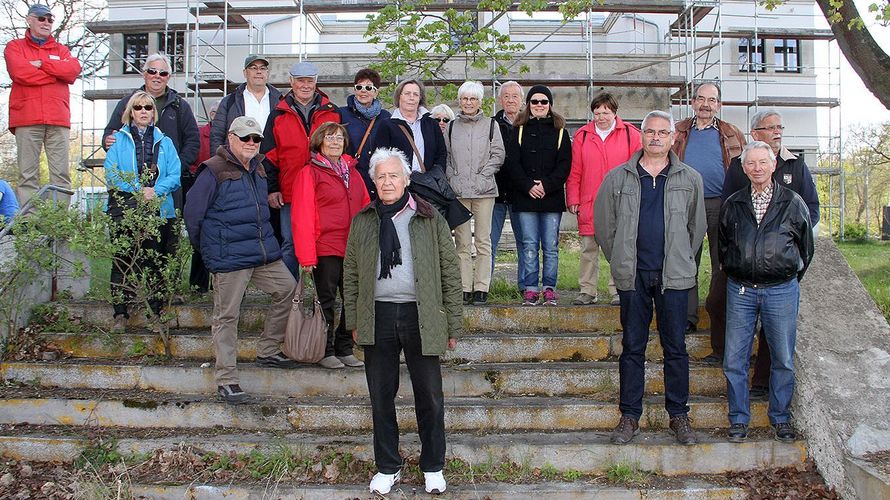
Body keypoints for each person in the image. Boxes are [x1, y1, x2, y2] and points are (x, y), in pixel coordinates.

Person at [343, 147, 461, 496]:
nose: (387, 181)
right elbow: (350, 272)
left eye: (394, 175)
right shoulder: (364, 219)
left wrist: (452, 322)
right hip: (377, 315)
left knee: (430, 395)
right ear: (373, 181)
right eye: (381, 176)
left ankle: (433, 465)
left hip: (420, 314)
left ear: (406, 179)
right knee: (381, 395)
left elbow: (450, 271)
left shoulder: (428, 217)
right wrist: (354, 317)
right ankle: (387, 466)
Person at [594, 110, 706, 446]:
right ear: (641, 136)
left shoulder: (690, 178)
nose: (656, 137)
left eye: (662, 132)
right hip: (634, 277)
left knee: (676, 348)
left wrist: (682, 259)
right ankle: (629, 416)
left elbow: (696, 227)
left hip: (673, 277)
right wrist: (620, 260)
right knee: (633, 348)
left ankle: (679, 416)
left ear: (673, 137)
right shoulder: (619, 178)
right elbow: (604, 225)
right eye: (650, 132)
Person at [184, 116, 298, 405]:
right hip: (229, 257)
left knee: (287, 288)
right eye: (245, 138)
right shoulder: (213, 170)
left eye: (256, 139)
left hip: (261, 254)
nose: (251, 143)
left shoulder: (258, 168)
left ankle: (268, 350)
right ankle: (227, 379)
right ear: (231, 138)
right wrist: (208, 250)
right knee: (227, 317)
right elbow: (193, 213)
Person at [719, 141, 814, 444]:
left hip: (781, 290)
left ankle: (781, 418)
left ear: (774, 165)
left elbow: (805, 249)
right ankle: (738, 419)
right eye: (751, 163)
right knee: (734, 359)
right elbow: (723, 246)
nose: (757, 168)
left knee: (783, 358)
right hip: (742, 290)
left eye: (763, 162)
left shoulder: (793, 202)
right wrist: (739, 269)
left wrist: (785, 275)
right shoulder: (733, 203)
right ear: (743, 168)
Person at [671, 82, 746, 341]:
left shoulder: (731, 133)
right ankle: (687, 317)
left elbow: (744, 169)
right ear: (693, 102)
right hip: (685, 203)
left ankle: (719, 319)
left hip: (721, 204)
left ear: (719, 104)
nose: (706, 104)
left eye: (711, 100)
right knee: (685, 261)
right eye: (701, 99)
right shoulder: (679, 131)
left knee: (720, 263)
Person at [293, 123, 370, 369]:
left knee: (353, 299)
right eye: (330, 137)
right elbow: (302, 215)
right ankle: (325, 349)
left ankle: (344, 347)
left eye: (339, 137)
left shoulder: (353, 172)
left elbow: (366, 208)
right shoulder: (310, 172)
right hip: (325, 247)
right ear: (319, 142)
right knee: (325, 300)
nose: (336, 141)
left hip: (353, 248)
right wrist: (306, 256)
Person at [104, 91, 182, 331]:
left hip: (158, 208)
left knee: (154, 262)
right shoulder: (118, 141)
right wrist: (138, 190)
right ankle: (120, 314)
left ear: (153, 111)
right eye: (138, 107)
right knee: (122, 261)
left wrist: (155, 190)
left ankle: (155, 313)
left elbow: (175, 174)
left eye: (148, 107)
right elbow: (112, 173)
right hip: (125, 208)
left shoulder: (165, 141)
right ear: (131, 111)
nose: (144, 111)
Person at [261, 61, 340, 279]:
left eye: (309, 81)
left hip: (324, 189)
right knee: (289, 242)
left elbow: (341, 151)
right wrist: (272, 188)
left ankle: (321, 292)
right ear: (291, 82)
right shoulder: (278, 114)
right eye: (300, 81)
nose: (305, 85)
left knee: (323, 241)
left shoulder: (331, 113)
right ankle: (290, 294)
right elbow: (269, 155)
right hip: (290, 190)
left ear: (316, 82)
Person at [567, 92, 641, 306]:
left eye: (605, 112)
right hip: (590, 201)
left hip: (621, 202)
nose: (601, 117)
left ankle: (618, 289)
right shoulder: (582, 136)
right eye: (597, 112)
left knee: (619, 249)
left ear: (614, 112)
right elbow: (575, 171)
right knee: (588, 249)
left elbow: (638, 169)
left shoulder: (631, 134)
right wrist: (573, 197)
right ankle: (587, 290)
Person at [4, 4, 81, 207]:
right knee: (27, 174)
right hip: (26, 118)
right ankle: (30, 222)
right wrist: (56, 74)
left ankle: (59, 222)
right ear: (29, 20)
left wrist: (42, 64)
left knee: (61, 174)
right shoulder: (14, 46)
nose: (46, 23)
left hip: (58, 118)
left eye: (50, 19)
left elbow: (72, 71)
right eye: (41, 18)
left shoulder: (61, 49)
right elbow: (20, 73)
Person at [104, 53, 200, 214]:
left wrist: (174, 169)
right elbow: (110, 133)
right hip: (128, 192)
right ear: (144, 74)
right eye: (152, 71)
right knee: (127, 236)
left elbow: (193, 142)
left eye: (162, 73)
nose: (157, 76)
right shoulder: (126, 103)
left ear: (168, 77)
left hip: (167, 190)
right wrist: (107, 140)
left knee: (164, 235)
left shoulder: (180, 107)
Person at [505, 85, 571, 306]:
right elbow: (512, 164)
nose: (539, 106)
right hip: (526, 198)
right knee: (529, 244)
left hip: (551, 198)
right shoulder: (519, 129)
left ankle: (550, 288)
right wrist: (528, 186)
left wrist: (546, 185)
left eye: (544, 102)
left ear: (550, 104)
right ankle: (531, 288)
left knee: (550, 246)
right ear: (529, 105)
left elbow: (564, 165)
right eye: (535, 102)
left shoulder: (561, 130)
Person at [444, 81, 505, 305]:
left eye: (473, 99)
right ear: (459, 101)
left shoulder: (491, 125)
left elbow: (498, 154)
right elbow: (447, 157)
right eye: (464, 98)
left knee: (483, 241)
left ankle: (481, 287)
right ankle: (463, 287)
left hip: (485, 191)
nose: (468, 103)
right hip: (459, 192)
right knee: (461, 242)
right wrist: (452, 177)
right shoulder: (451, 126)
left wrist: (483, 176)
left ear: (480, 101)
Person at [490, 81, 525, 291]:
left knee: (524, 242)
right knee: (489, 242)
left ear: (521, 100)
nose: (510, 100)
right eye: (506, 96)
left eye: (515, 96)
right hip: (495, 193)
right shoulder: (491, 124)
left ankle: (525, 286)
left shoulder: (529, 124)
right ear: (499, 100)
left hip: (522, 194)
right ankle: (484, 287)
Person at [210, 55, 283, 154]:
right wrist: (221, 163)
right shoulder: (230, 101)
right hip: (237, 163)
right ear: (245, 73)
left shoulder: (280, 101)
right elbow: (217, 135)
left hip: (272, 162)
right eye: (253, 68)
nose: (258, 71)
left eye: (262, 68)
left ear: (267, 73)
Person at [372, 79, 446, 175]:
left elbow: (441, 154)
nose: (411, 98)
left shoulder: (432, 124)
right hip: (399, 184)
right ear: (399, 97)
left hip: (427, 184)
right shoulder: (387, 125)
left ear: (420, 98)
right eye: (407, 93)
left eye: (415, 94)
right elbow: (380, 158)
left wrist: (436, 175)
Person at [339, 68, 391, 200]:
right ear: (354, 90)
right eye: (359, 87)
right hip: (352, 179)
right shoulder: (341, 114)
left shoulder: (386, 117)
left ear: (376, 92)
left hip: (379, 181)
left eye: (368, 87)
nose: (363, 90)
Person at [183, 102, 217, 294]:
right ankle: (198, 284)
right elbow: (194, 158)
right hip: (201, 183)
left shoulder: (232, 136)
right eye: (215, 113)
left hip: (223, 184)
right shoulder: (200, 133)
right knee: (200, 232)